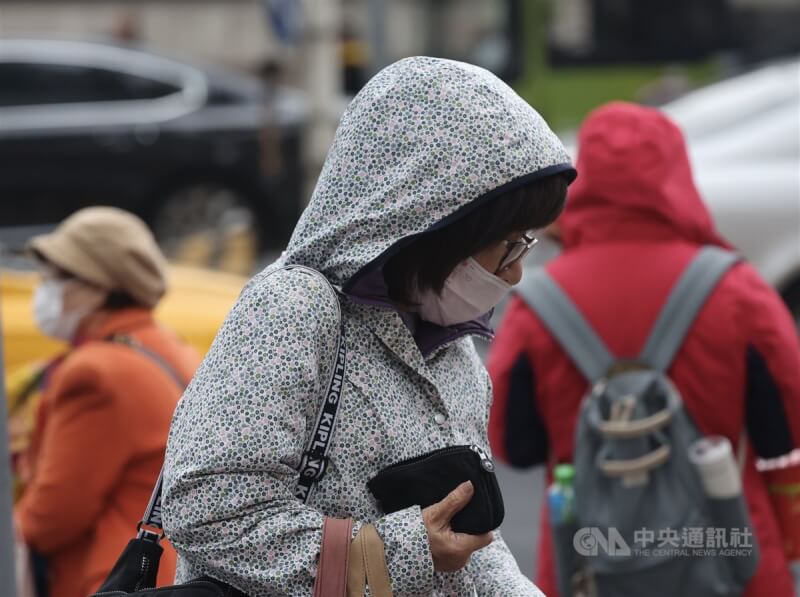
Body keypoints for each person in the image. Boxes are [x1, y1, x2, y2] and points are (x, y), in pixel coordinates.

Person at [161, 56, 576, 596]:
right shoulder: (293, 310)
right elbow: (207, 510)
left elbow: (471, 546)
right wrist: (397, 552)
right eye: (508, 243)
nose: (518, 272)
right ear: (433, 220)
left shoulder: (450, 344)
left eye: (529, 242)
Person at [487, 101, 800, 597]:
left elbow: (512, 443)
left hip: (589, 566)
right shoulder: (737, 291)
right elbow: (785, 430)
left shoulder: (538, 306)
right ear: (678, 176)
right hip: (731, 561)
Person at [14, 207, 201, 597]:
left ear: (99, 285)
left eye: (59, 276)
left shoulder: (96, 373)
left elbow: (50, 519)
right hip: (171, 574)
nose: (44, 287)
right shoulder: (168, 346)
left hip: (109, 581)